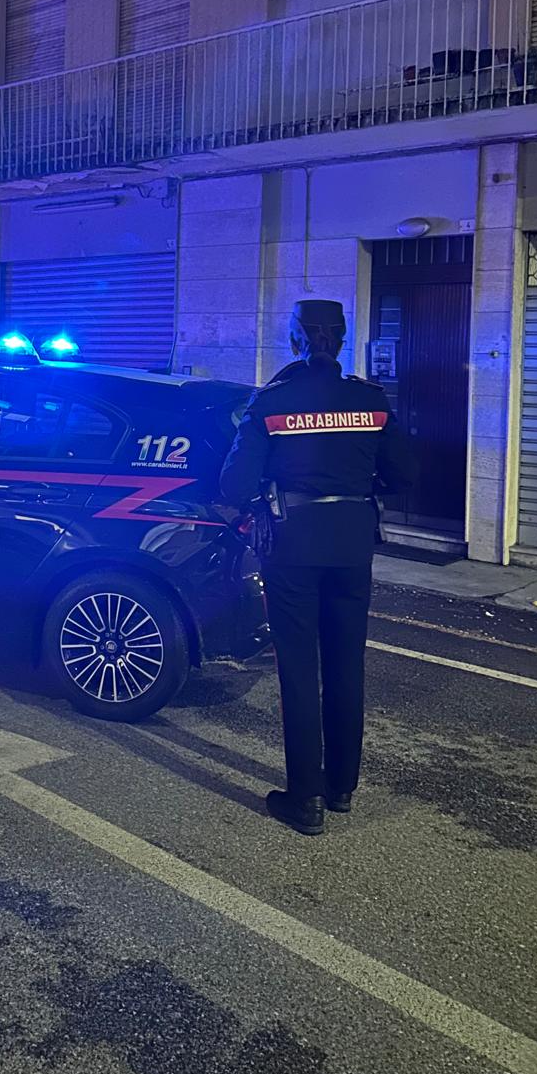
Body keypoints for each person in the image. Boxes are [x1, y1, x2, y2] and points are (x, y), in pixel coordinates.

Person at [221, 299, 416, 836]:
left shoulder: (272, 401)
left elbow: (234, 485)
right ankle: (341, 788)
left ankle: (304, 798)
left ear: (294, 339)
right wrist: (358, 487)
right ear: (343, 338)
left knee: (299, 670)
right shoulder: (368, 399)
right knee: (346, 665)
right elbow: (405, 473)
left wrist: (266, 496)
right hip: (352, 545)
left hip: (292, 547)